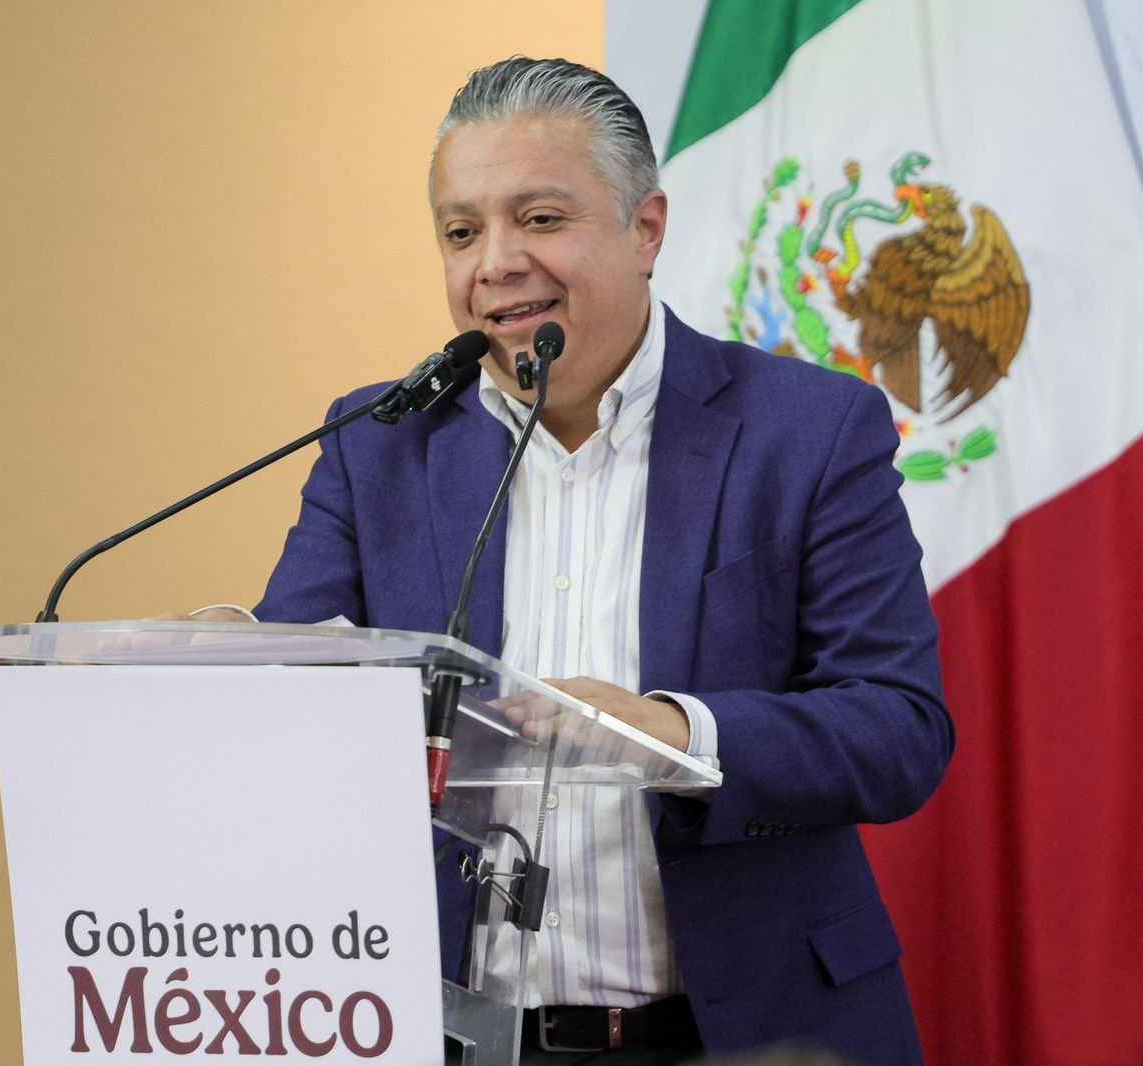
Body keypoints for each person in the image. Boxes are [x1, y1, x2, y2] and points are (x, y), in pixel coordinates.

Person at [215, 57, 952, 1064]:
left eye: (540, 218)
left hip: (745, 1034)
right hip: (455, 1038)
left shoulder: (807, 432)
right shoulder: (379, 442)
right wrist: (235, 666)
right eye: (461, 232)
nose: (495, 263)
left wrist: (673, 733)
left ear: (645, 229)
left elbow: (898, 728)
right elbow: (301, 701)